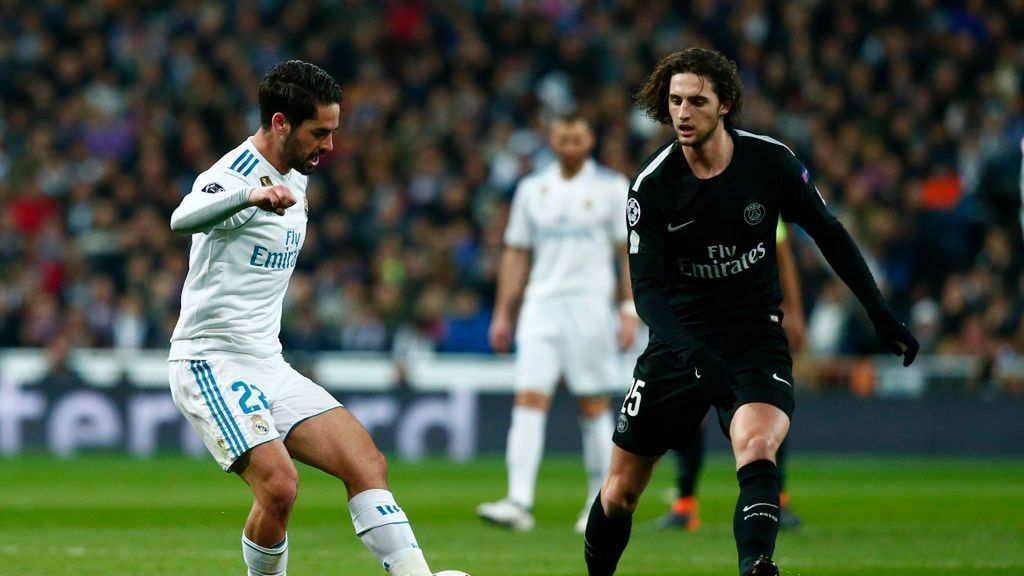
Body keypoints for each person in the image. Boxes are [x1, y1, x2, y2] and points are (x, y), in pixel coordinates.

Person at [582, 48, 919, 576]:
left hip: (754, 336)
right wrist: (692, 354)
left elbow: (829, 233)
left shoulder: (771, 163)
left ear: (726, 105)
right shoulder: (652, 188)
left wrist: (879, 312)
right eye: (674, 102)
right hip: (679, 342)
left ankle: (757, 564)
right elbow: (646, 293)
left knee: (757, 442)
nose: (683, 113)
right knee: (621, 491)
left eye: (697, 101)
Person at [167, 60, 451, 576]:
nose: (330, 146)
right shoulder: (231, 176)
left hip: (267, 363)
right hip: (210, 362)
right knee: (279, 486)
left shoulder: (297, 173)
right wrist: (251, 194)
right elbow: (181, 216)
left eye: (334, 132)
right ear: (281, 124)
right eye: (319, 133)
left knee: (367, 463)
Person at [477, 112, 638, 533]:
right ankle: (518, 502)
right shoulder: (533, 189)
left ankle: (597, 504)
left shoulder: (611, 188)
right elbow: (516, 253)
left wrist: (628, 308)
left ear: (589, 140)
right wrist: (503, 313)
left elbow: (626, 253)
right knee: (529, 399)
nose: (569, 146)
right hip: (541, 307)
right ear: (552, 141)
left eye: (576, 138)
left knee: (593, 403)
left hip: (590, 306)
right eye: (562, 139)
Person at [655, 221, 805, 532]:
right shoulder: (679, 194)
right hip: (696, 321)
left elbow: (781, 253)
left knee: (766, 407)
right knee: (690, 412)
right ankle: (685, 504)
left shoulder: (754, 186)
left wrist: (793, 311)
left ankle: (778, 497)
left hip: (750, 322)